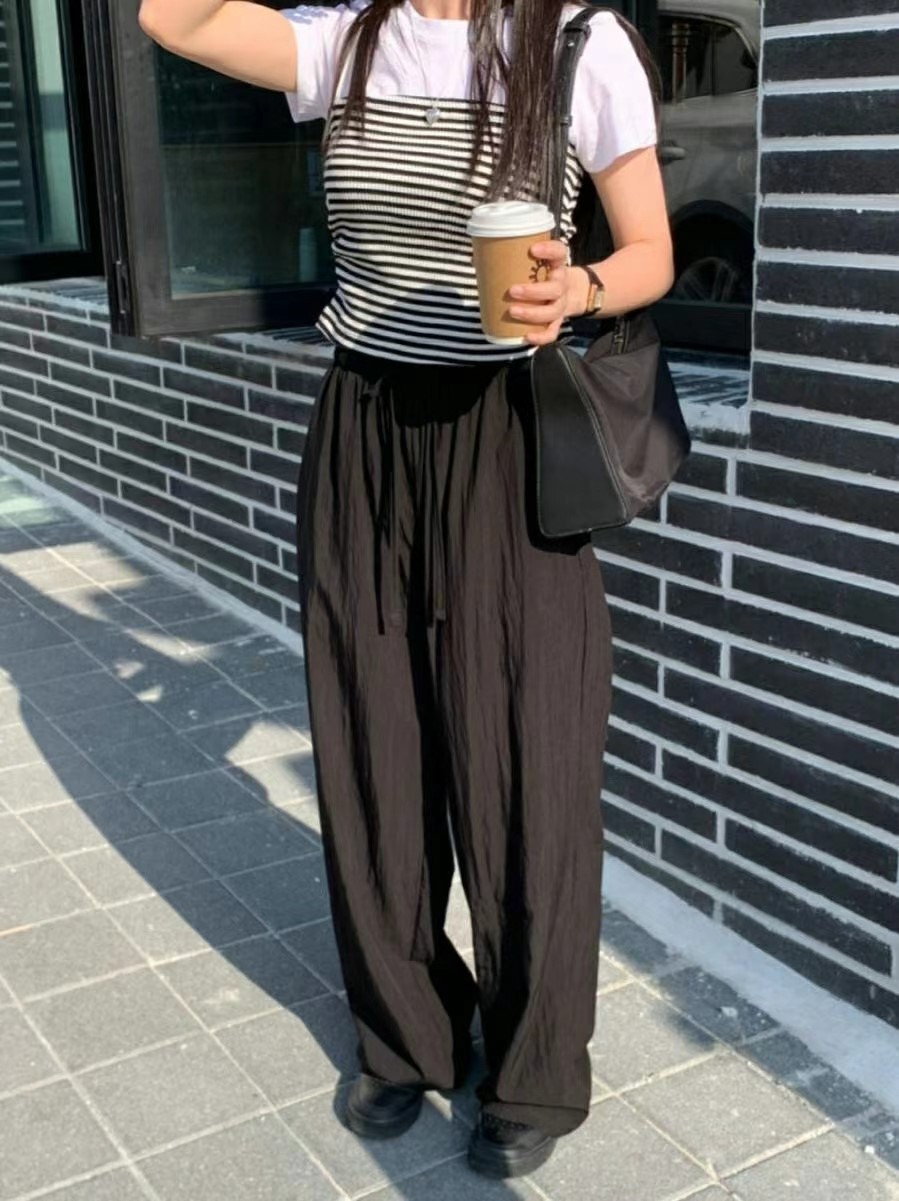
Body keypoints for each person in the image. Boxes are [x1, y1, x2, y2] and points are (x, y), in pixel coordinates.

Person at [138, 0, 673, 1179]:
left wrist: (578, 291)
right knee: (371, 742)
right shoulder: (344, 40)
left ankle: (533, 1066)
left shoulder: (575, 42)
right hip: (365, 424)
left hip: (507, 429)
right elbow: (171, 19)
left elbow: (650, 249)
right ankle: (407, 1031)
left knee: (527, 755)